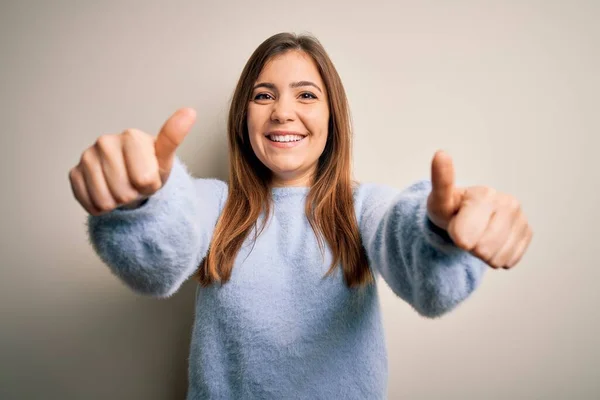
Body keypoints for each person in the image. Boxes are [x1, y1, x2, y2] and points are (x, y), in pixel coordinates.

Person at [69, 32, 533, 399]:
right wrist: (138, 206)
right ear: (242, 117)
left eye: (306, 95)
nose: (283, 112)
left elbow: (416, 254)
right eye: (263, 95)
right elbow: (157, 258)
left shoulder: (364, 206)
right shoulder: (214, 205)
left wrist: (443, 234)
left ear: (332, 118)